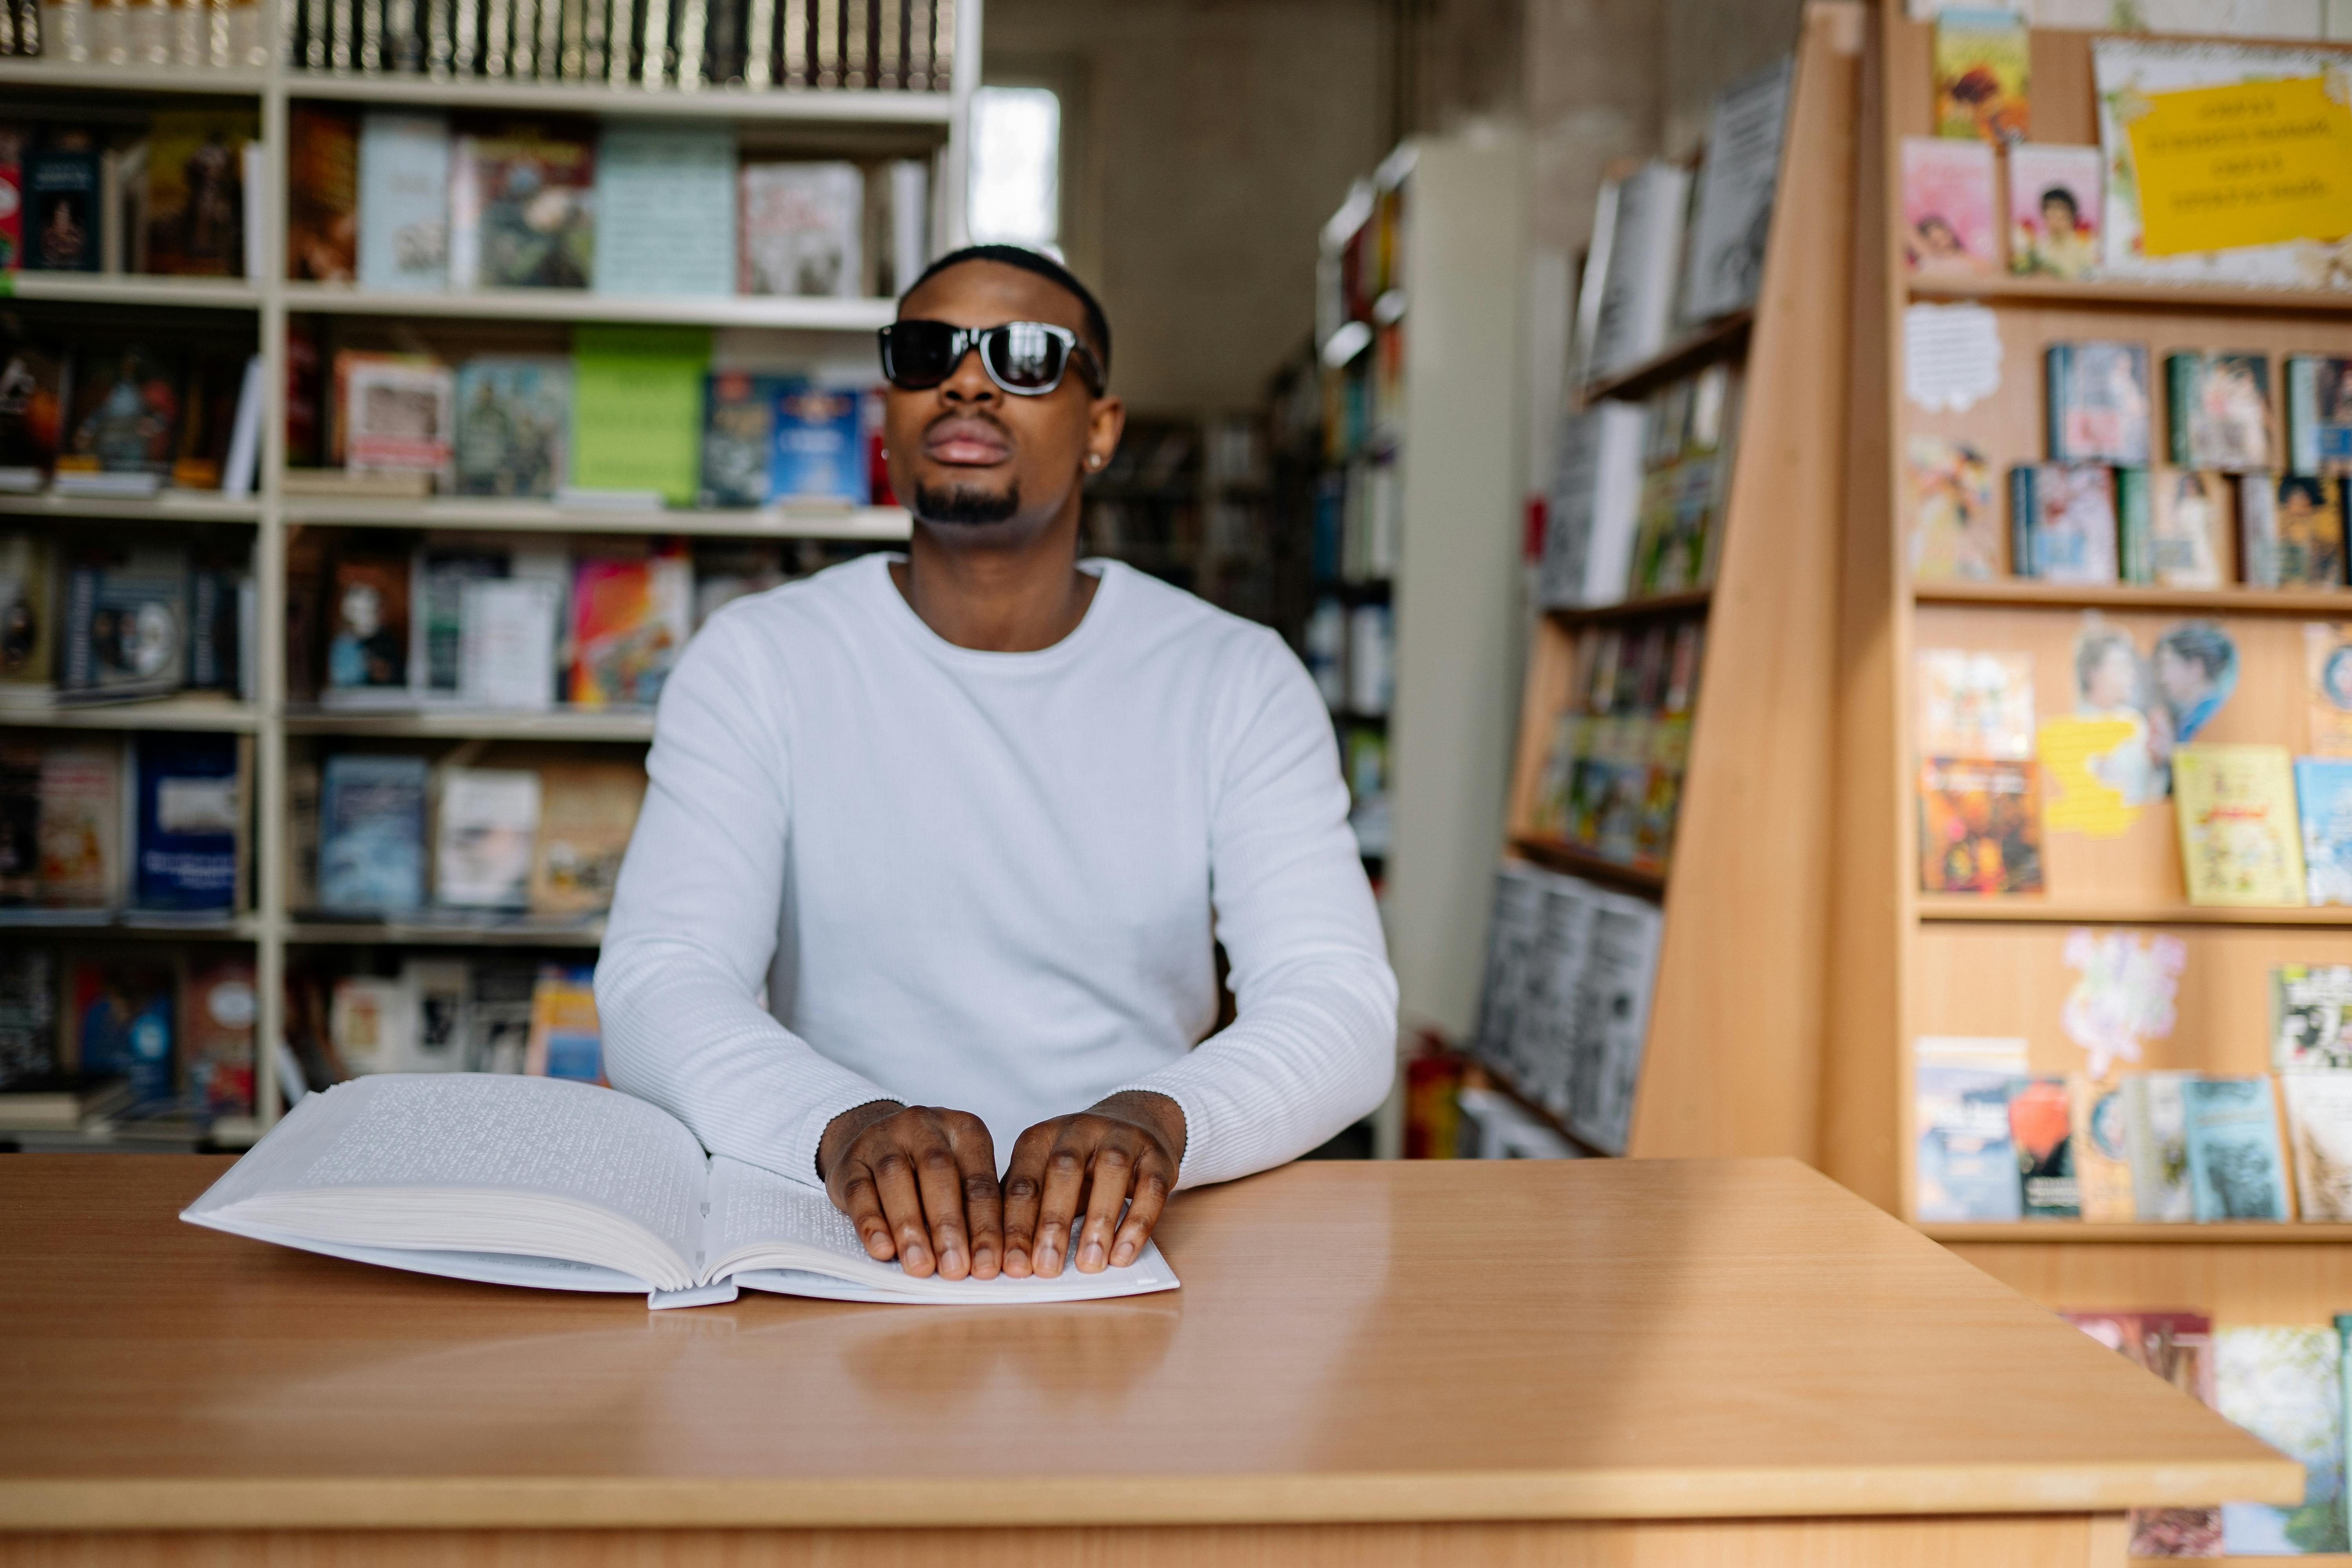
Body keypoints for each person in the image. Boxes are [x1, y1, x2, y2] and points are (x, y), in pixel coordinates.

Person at [597, 245, 1397, 1284]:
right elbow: (661, 981)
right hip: (834, 1241)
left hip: (1141, 1243)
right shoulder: (760, 662)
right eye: (927, 353)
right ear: (886, 415)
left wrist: (1162, 1123)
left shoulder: (1233, 677)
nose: (968, 382)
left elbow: (1336, 1001)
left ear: (1102, 430)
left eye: (1025, 357)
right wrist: (839, 1127)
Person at [2152, 620, 2238, 746]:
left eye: (2169, 664)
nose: (2163, 678)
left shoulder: (2207, 720)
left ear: (2196, 668)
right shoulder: (2189, 717)